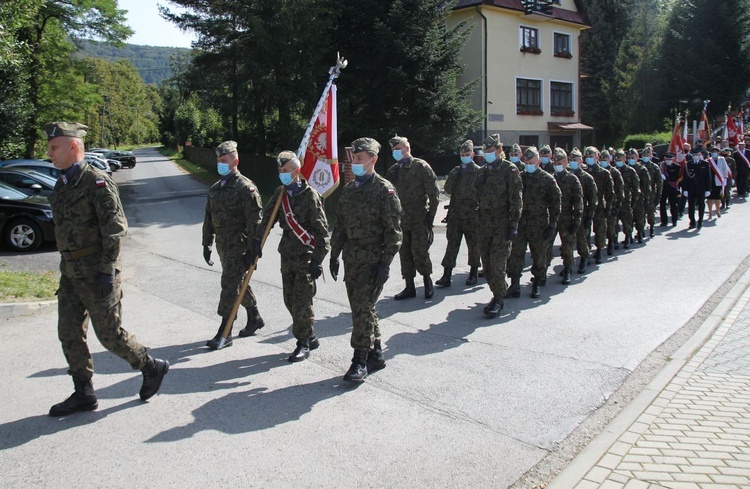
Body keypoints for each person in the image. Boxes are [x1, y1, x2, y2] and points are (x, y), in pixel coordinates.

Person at [44, 122, 168, 416]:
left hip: (97, 270)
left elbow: (114, 230)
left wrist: (106, 271)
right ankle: (83, 392)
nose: (49, 153)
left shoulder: (96, 182)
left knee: (110, 335)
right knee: (69, 332)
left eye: (53, 147)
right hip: (70, 271)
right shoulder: (62, 184)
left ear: (73, 146)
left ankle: (150, 366)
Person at [329, 137, 402, 382]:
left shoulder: (384, 190)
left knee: (360, 308)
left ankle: (359, 360)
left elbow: (394, 232)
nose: (355, 163)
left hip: (373, 258)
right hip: (352, 257)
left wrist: (385, 263)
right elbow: (340, 225)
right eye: (353, 159)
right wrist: (335, 253)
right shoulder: (350, 189)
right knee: (363, 307)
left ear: (373, 159)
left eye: (360, 159)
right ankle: (377, 353)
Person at [250, 151, 330, 362]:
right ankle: (310, 333)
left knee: (302, 301)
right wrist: (257, 242)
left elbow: (322, 232)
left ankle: (302, 343)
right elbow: (267, 219)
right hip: (287, 254)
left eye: (285, 171)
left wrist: (318, 259)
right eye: (280, 171)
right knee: (289, 300)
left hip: (306, 255)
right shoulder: (280, 194)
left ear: (296, 172)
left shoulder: (310, 195)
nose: (282, 174)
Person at [202, 140, 265, 349]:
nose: (220, 163)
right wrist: (207, 243)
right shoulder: (215, 188)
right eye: (218, 160)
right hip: (222, 243)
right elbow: (208, 217)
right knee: (237, 281)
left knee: (229, 284)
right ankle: (254, 316)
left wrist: (254, 248)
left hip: (239, 244)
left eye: (224, 160)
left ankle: (225, 330)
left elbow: (255, 221)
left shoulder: (245, 188)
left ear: (235, 161)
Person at [472, 134, 523, 317]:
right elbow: (475, 193)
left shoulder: (510, 170)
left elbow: (516, 199)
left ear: (500, 151)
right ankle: (498, 291)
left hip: (502, 225)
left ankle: (498, 299)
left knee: (497, 264)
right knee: (486, 265)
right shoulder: (483, 171)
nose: (488, 154)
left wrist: (513, 224)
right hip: (484, 225)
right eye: (485, 152)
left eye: (491, 151)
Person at [385, 135, 440, 300]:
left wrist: (430, 217)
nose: (396, 152)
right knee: (404, 253)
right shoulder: (393, 170)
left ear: (407, 148)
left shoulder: (421, 167)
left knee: (420, 252)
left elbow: (434, 194)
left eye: (398, 148)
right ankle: (409, 286)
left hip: (418, 218)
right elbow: (388, 196)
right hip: (401, 220)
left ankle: (427, 283)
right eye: (393, 150)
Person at [506, 146, 561, 298]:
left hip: (539, 224)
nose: (529, 164)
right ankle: (514, 285)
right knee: (515, 254)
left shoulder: (547, 179)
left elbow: (556, 203)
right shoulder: (519, 177)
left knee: (538, 255)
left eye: (531, 161)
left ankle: (536, 283)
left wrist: (552, 225)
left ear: (537, 162)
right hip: (520, 223)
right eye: (527, 161)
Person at [436, 140, 481, 288]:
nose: (464, 157)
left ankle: (473, 273)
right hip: (455, 214)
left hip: (472, 215)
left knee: (473, 246)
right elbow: (448, 190)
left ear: (473, 154)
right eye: (462, 155)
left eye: (467, 154)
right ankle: (446, 275)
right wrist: (454, 176)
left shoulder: (479, 172)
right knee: (452, 245)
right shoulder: (456, 171)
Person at [547, 148, 583, 284]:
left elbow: (578, 200)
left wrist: (577, 219)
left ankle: (567, 270)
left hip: (567, 218)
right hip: (551, 218)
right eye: (555, 161)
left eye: (560, 161)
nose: (557, 163)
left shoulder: (572, 180)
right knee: (546, 246)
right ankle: (542, 273)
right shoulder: (550, 178)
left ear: (566, 162)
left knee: (567, 246)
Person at [568, 148, 597, 273]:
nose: (573, 162)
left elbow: (593, 199)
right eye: (571, 160)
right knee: (568, 241)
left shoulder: (586, 177)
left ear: (581, 160)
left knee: (582, 239)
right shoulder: (567, 176)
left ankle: (584, 259)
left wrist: (590, 216)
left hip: (581, 212)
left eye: (575, 160)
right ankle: (567, 265)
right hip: (567, 212)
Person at [584, 147, 614, 264]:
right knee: (585, 231)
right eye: (587, 157)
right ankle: (585, 253)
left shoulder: (604, 173)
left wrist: (609, 207)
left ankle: (599, 250)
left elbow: (609, 192)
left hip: (599, 205)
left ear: (597, 157)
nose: (589, 159)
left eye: (591, 156)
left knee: (599, 229)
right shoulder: (584, 171)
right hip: (586, 206)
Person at [680, 148, 712, 230]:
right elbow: (685, 178)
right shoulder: (688, 164)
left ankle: (700, 221)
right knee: (691, 206)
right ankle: (692, 221)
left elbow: (708, 177)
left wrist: (708, 189)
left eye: (697, 155)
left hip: (701, 188)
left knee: (701, 205)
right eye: (694, 155)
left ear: (700, 155)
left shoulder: (705, 164)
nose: (695, 156)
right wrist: (685, 189)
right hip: (691, 189)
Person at [601, 149, 624, 254]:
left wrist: (618, 205)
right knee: (601, 227)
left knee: (612, 225)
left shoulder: (615, 172)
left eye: (605, 159)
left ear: (609, 160)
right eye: (601, 159)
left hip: (612, 202)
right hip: (601, 204)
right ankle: (601, 246)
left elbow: (619, 190)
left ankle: (611, 243)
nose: (602, 161)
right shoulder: (598, 171)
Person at [629, 148, 651, 244]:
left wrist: (646, 198)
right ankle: (628, 235)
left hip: (639, 197)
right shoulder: (625, 168)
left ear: (637, 157)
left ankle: (640, 232)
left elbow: (646, 185)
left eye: (632, 157)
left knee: (639, 217)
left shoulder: (642, 169)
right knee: (628, 218)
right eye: (629, 157)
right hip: (628, 198)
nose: (631, 159)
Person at [640, 146, 662, 238]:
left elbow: (659, 182)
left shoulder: (654, 167)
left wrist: (658, 195)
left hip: (651, 194)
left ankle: (652, 228)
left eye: (647, 155)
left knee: (650, 212)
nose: (645, 156)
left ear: (651, 156)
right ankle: (640, 230)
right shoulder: (639, 166)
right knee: (640, 213)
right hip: (640, 193)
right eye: (644, 155)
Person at [706, 146, 730, 219]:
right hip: (710, 182)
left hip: (719, 181)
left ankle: (717, 210)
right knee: (709, 198)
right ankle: (710, 212)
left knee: (717, 198)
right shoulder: (708, 160)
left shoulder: (722, 159)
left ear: (718, 152)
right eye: (713, 152)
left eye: (716, 152)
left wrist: (725, 179)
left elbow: (725, 169)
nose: (714, 153)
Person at [659, 152, 681, 227]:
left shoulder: (676, 167)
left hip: (672, 188)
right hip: (663, 188)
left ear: (673, 159)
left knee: (673, 205)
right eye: (667, 159)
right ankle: (664, 221)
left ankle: (674, 220)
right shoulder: (661, 166)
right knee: (662, 205)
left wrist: (667, 178)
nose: (668, 160)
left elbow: (676, 177)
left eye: (670, 159)